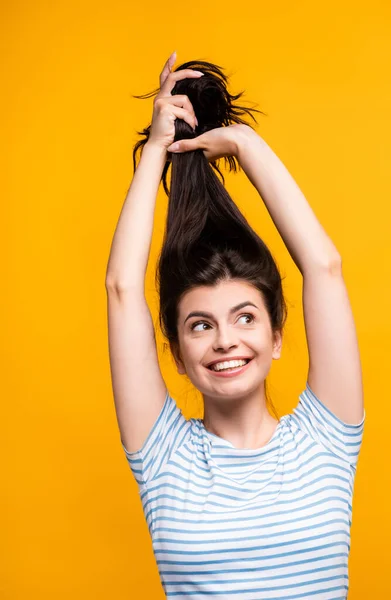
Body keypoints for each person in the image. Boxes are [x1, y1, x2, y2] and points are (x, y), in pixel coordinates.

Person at [105, 51, 366, 600]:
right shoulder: (164, 458)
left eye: (244, 317)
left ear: (275, 336)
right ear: (175, 352)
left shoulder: (327, 440)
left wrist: (245, 145)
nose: (225, 339)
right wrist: (157, 149)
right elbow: (122, 289)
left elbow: (324, 268)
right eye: (200, 325)